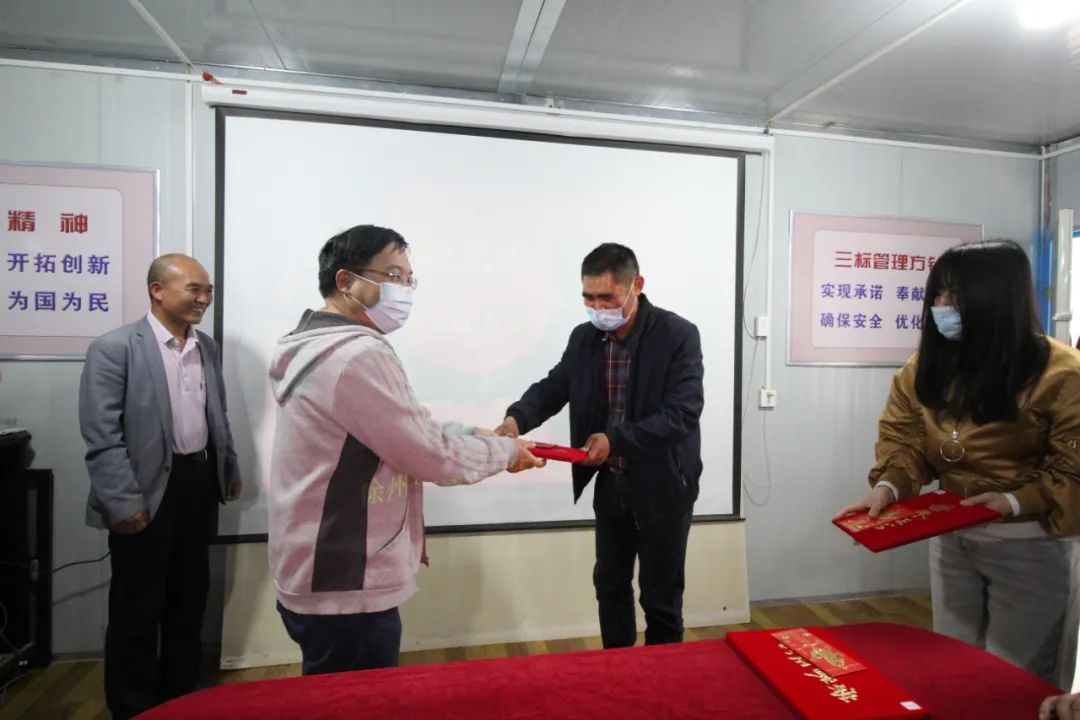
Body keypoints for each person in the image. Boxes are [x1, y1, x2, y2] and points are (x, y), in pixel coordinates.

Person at [265, 224, 543, 675]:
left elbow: (398, 428)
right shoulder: (357, 355)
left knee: (331, 693)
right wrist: (506, 453)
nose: (405, 290)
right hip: (346, 579)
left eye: (410, 279)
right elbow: (430, 455)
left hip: (317, 565)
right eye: (393, 276)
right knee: (359, 700)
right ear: (345, 280)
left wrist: (476, 434)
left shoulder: (312, 346)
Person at [835, 239, 1080, 684]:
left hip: (1031, 542)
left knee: (1019, 675)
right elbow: (905, 440)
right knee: (954, 665)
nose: (941, 307)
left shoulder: (1061, 373)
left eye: (955, 296)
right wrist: (889, 487)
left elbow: (1071, 466)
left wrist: (1012, 501)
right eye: (938, 294)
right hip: (951, 536)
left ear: (997, 300)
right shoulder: (926, 365)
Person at [494, 243, 704, 648]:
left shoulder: (677, 335)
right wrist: (516, 418)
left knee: (660, 599)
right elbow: (554, 387)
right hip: (611, 485)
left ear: (636, 285)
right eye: (588, 298)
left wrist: (616, 439)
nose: (597, 308)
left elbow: (683, 413)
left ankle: (664, 679)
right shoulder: (584, 338)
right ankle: (616, 671)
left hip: (664, 486)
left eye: (606, 297)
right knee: (610, 585)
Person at [79, 254, 241, 720]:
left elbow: (217, 414)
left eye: (208, 291)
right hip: (144, 488)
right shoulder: (114, 348)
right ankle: (133, 706)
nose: (204, 299)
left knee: (189, 598)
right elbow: (101, 434)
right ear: (157, 290)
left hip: (197, 482)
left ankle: (180, 698)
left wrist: (228, 467)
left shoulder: (206, 347)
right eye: (194, 289)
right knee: (137, 606)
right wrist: (122, 499)